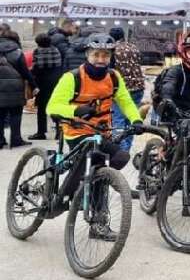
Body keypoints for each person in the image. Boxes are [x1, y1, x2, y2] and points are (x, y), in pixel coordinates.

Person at [47, 33, 142, 241]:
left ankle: (94, 183)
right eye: (96, 55)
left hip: (101, 132)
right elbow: (52, 106)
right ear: (88, 54)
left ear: (111, 57)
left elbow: (125, 101)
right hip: (76, 131)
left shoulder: (114, 77)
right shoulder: (72, 78)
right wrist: (76, 111)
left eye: (105, 56)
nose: (101, 60)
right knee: (90, 158)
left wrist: (136, 120)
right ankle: (73, 200)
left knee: (119, 158)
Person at [109, 27, 146, 152]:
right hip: (138, 87)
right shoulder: (133, 47)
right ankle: (127, 149)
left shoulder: (112, 50)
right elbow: (140, 61)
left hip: (122, 88)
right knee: (131, 119)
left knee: (118, 120)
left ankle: (121, 150)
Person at [0, 31, 37, 149]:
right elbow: (25, 72)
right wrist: (34, 85)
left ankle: (0, 141)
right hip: (16, 88)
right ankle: (16, 140)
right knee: (16, 114)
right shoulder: (17, 52)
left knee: (0, 115)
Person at [29, 33, 63, 140]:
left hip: (42, 82)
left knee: (42, 109)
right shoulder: (56, 50)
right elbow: (59, 65)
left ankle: (41, 132)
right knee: (55, 107)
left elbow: (36, 69)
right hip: (56, 82)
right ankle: (59, 131)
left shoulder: (37, 52)